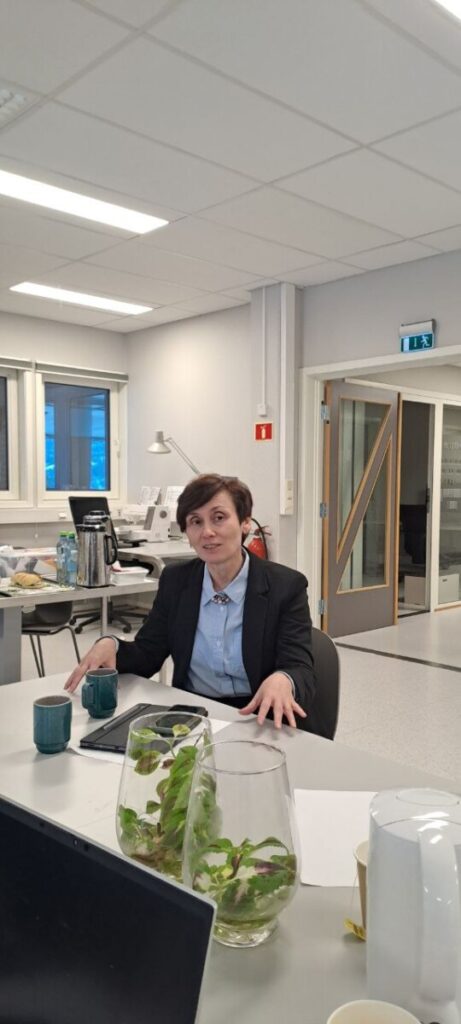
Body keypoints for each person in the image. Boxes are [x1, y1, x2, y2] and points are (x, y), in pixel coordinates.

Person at [65, 474, 316, 731]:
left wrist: (284, 679)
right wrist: (112, 644)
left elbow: (300, 668)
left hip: (258, 717)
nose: (207, 532)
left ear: (245, 523)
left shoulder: (286, 587)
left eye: (219, 517)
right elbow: (148, 654)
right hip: (191, 715)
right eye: (196, 521)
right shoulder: (176, 581)